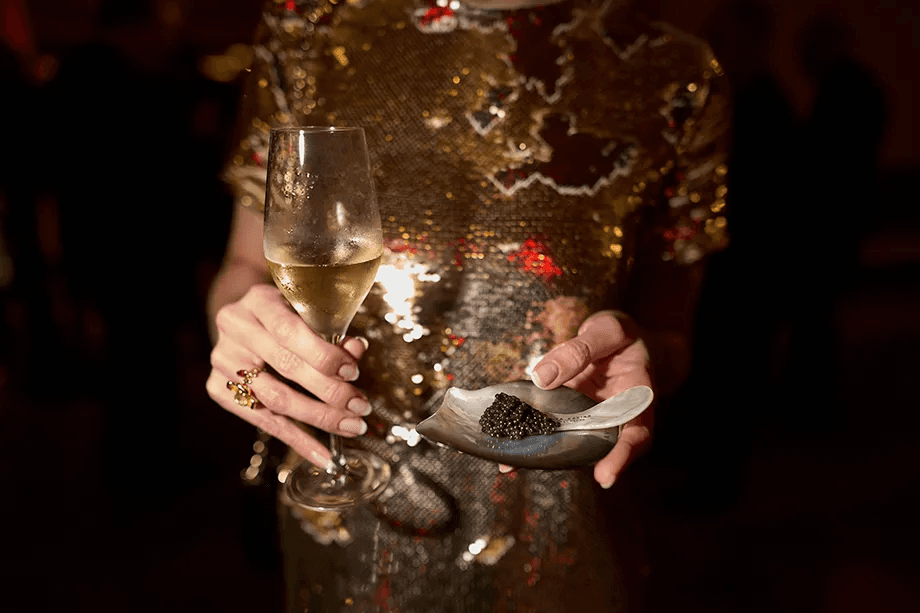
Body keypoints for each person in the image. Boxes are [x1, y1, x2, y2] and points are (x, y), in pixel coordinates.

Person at [206, 0, 730, 610]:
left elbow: (673, 335)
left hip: (557, 529)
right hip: (351, 530)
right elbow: (244, 271)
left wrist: (646, 361)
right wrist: (247, 354)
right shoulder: (309, 29)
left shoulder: (675, 71)